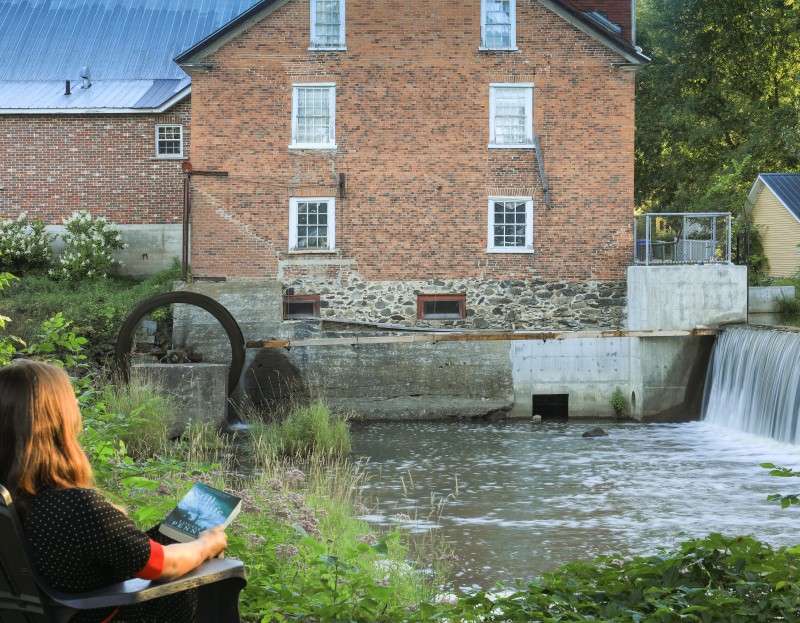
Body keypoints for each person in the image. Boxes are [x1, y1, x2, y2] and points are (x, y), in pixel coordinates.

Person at [0, 359, 228, 623]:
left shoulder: (19, 498)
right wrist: (207, 542)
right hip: (110, 616)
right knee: (203, 566)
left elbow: (111, 550)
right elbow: (164, 566)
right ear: (59, 421)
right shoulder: (73, 505)